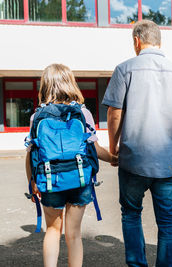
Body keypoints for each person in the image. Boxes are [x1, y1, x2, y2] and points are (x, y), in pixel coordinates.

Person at [102, 20, 172, 267]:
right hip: (169, 163)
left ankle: (137, 265)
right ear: (159, 41)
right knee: (167, 222)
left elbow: (114, 113)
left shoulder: (124, 69)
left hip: (133, 159)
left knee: (131, 215)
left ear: (136, 41)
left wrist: (113, 148)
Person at [25, 63, 118, 267]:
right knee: (74, 234)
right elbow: (95, 148)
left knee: (52, 230)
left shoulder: (36, 117)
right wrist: (113, 158)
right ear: (71, 83)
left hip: (50, 180)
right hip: (80, 179)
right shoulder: (83, 114)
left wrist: (32, 182)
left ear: (46, 85)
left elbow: (31, 153)